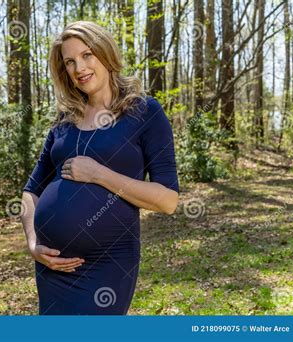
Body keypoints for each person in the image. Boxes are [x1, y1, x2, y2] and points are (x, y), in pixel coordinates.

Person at [21, 21, 179, 315]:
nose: (79, 67)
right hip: (51, 267)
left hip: (107, 264)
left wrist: (99, 174)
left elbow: (168, 200)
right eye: (70, 61)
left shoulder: (144, 112)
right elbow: (31, 191)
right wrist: (33, 243)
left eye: (87, 55)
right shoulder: (64, 122)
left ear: (105, 53)